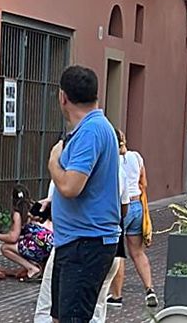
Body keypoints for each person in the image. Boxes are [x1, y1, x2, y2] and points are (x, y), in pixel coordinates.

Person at [47, 65, 121, 323]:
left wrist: (53, 162)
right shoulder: (95, 127)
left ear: (62, 96)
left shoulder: (90, 131)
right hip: (75, 242)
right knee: (59, 317)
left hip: (86, 244)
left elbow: (70, 187)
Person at [107, 130, 158, 309]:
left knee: (119, 252)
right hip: (138, 206)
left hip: (121, 206)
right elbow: (144, 182)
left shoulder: (111, 160)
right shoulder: (137, 157)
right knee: (137, 252)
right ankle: (149, 289)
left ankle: (116, 295)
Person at [0, 184, 54, 280]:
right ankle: (42, 270)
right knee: (29, 243)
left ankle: (32, 269)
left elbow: (13, 237)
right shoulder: (36, 206)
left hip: (40, 243)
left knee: (5, 248)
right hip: (51, 241)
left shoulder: (18, 213)